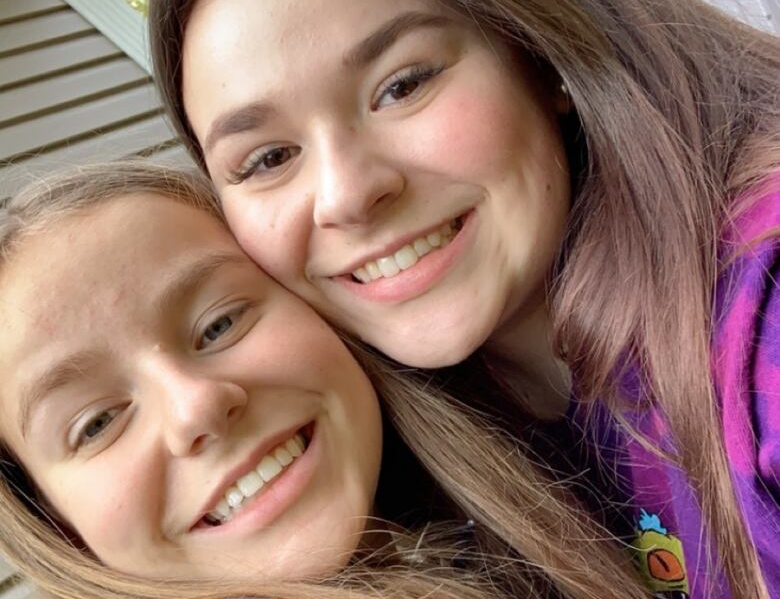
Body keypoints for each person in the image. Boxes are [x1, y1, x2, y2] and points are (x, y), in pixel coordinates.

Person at [148, 0, 780, 598]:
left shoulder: (760, 316)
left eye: (402, 85)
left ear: (538, 48)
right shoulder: (385, 466)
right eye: (267, 158)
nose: (346, 195)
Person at [0, 161, 647, 599]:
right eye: (95, 424)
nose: (196, 406)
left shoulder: (571, 465)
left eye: (219, 325)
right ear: (52, 521)